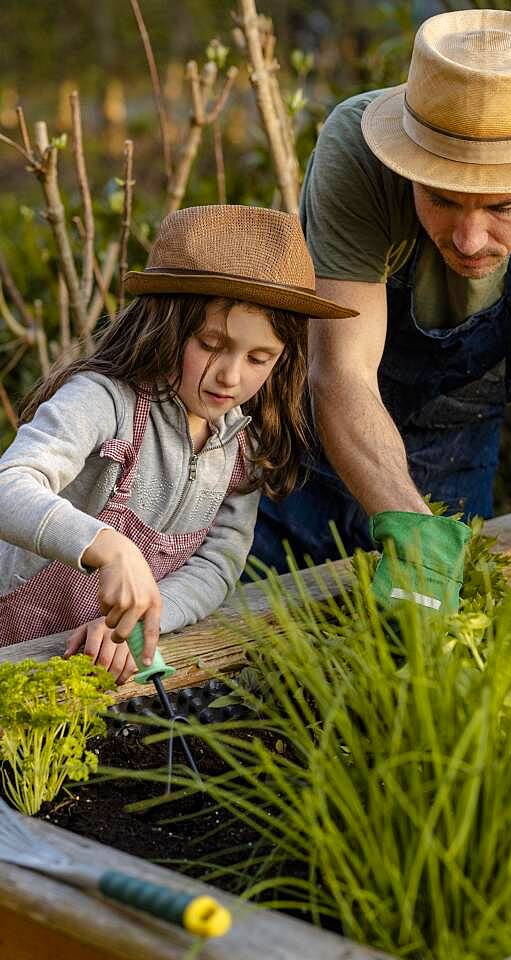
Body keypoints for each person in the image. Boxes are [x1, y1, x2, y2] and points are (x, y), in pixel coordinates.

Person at [251, 10, 511, 710]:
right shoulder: (358, 158)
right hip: (315, 435)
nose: (470, 237)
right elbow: (342, 374)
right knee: (267, 672)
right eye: (441, 199)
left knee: (426, 691)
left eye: (503, 206)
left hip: (457, 443)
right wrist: (413, 535)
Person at [0, 203, 356, 682]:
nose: (230, 376)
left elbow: (219, 564)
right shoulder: (104, 402)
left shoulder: (241, 446)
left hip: (75, 663)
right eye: (211, 345)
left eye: (259, 357)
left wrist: (144, 621)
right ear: (166, 325)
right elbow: (9, 486)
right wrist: (109, 547)